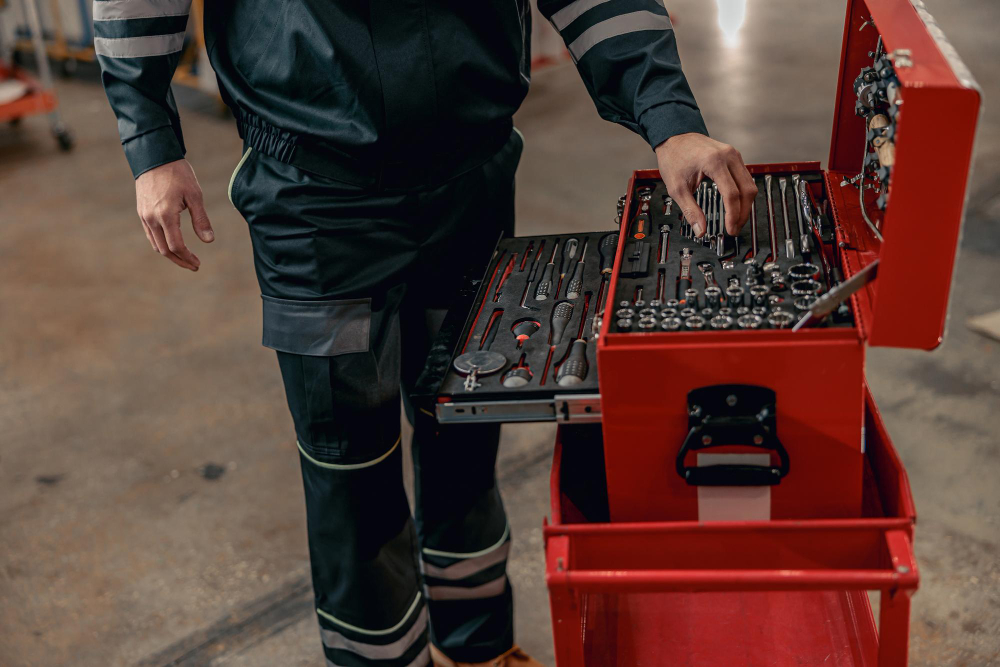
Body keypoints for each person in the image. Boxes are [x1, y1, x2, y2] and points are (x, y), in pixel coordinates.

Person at [95, 1, 756, 665]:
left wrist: (668, 118)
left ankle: (479, 648)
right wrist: (152, 142)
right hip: (317, 200)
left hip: (472, 180)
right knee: (350, 469)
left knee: (464, 434)